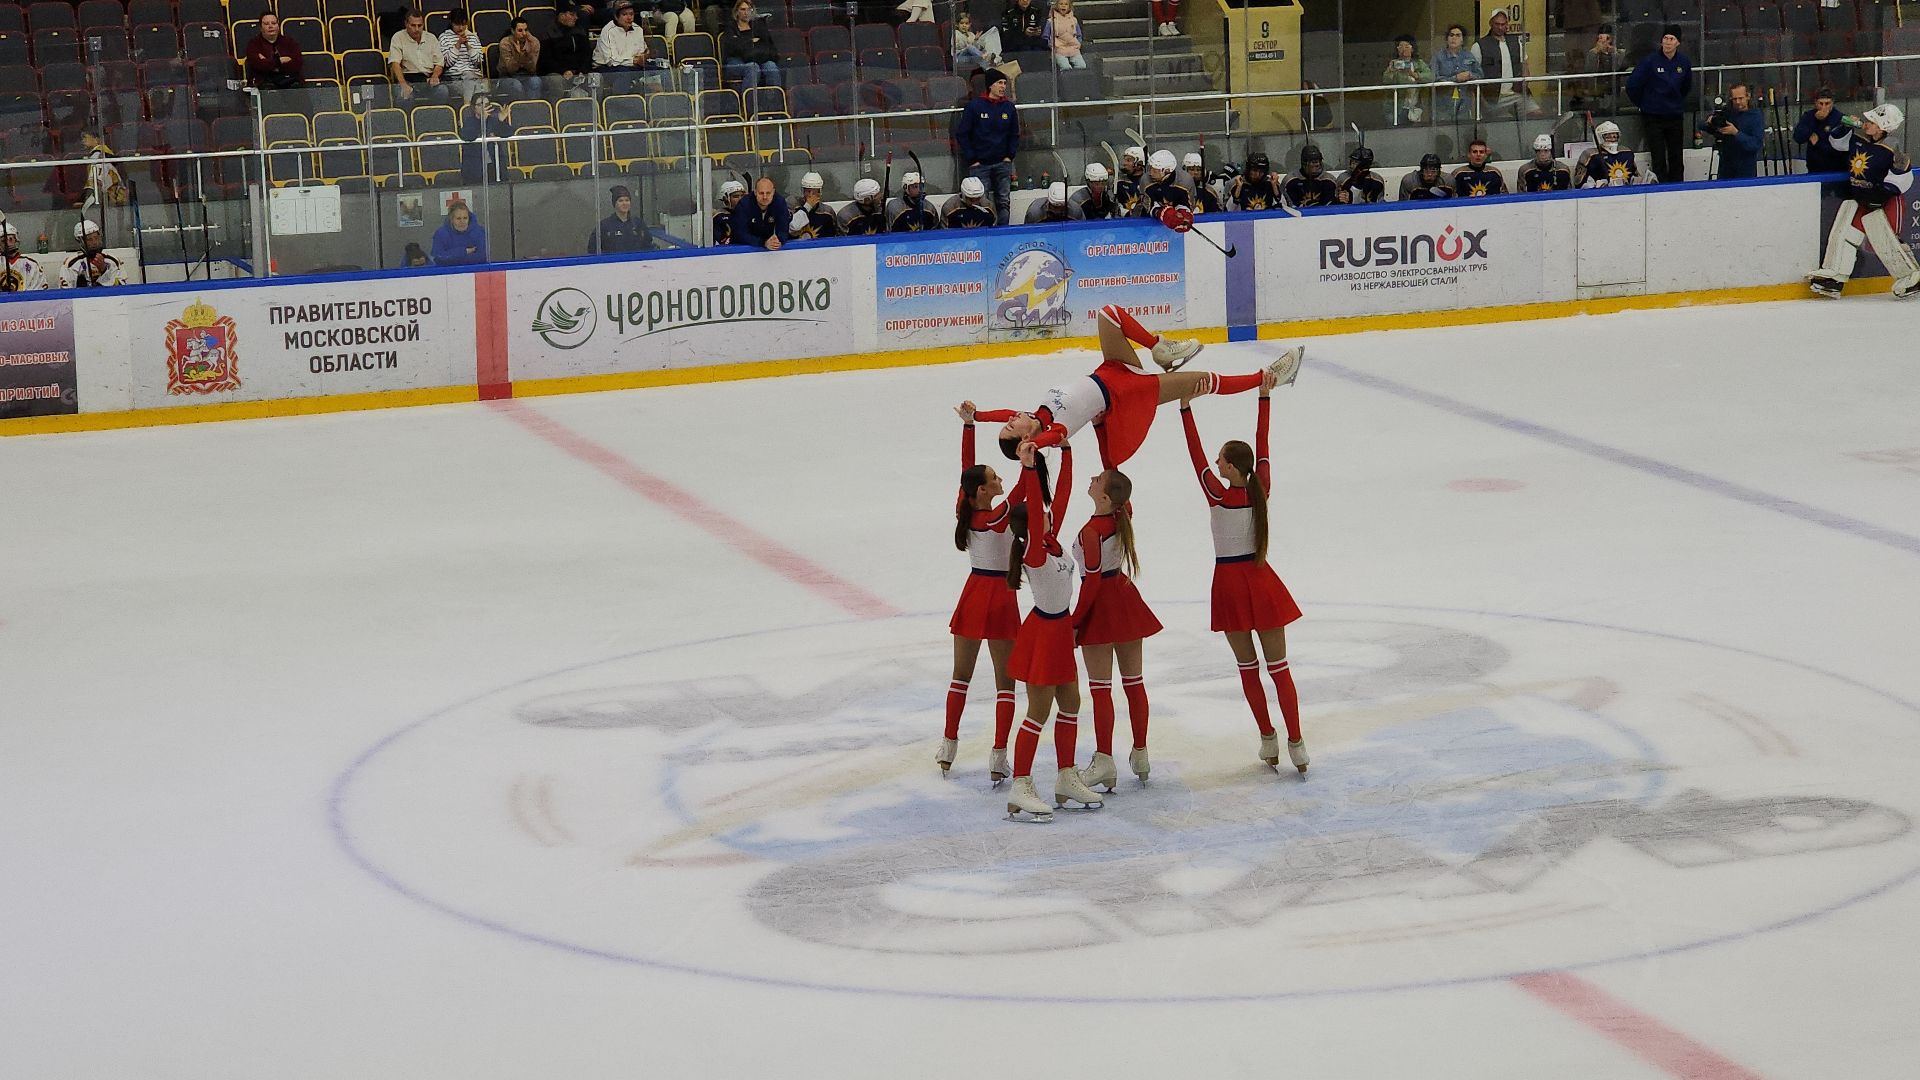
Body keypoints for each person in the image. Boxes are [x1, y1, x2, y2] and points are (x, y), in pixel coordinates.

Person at [969, 305, 1297, 471]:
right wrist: (1035, 447)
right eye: (1011, 428)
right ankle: (1267, 377)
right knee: (1203, 380)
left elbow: (1000, 414)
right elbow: (1052, 439)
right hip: (1127, 395)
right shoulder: (1056, 429)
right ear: (1026, 439)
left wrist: (978, 416)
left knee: (1108, 314)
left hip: (1112, 369)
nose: (1010, 419)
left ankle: (1160, 347)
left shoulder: (1036, 411)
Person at [1179, 367, 1308, 774]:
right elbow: (1263, 447)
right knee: (1279, 669)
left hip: (1231, 586)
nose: (1215, 461)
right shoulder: (1260, 486)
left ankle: (1269, 737)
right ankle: (1296, 742)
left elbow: (1195, 455)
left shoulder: (1218, 493)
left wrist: (1185, 409)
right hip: (1260, 581)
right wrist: (1263, 399)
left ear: (1231, 467)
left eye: (1222, 458)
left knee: (1249, 669)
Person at [1001, 441, 1104, 820]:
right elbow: (1035, 504)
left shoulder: (1051, 542)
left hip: (1060, 631)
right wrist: (1028, 468)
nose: (1049, 514)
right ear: (1030, 525)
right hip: (1044, 634)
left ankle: (1065, 776)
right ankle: (1021, 785)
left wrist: (1067, 453)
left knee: (1072, 704)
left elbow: (1059, 496)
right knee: (1038, 711)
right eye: (1041, 515)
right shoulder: (1034, 552)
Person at [945, 402, 1026, 780]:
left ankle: (948, 745)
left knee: (960, 676)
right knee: (1004, 684)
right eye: (994, 477)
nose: (1000, 480)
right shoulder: (997, 515)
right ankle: (998, 754)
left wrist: (969, 427)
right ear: (984, 490)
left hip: (974, 592)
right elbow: (1025, 486)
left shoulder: (967, 506)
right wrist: (1030, 457)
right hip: (1000, 596)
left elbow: (965, 472)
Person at [1070, 466, 1161, 789]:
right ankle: (1141, 751)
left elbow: (1091, 582)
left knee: (1101, 690)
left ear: (1106, 497)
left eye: (1097, 480)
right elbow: (1119, 476)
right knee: (1134, 683)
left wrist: (1075, 622)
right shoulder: (1123, 513)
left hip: (1101, 605)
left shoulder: (1091, 532)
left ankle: (1105, 758)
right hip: (1125, 599)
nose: (1091, 479)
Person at [1808, 104, 1918, 300]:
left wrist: (1881, 195)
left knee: (1883, 240)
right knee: (1846, 232)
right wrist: (1844, 126)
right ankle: (1836, 275)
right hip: (1862, 200)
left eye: (1871, 121)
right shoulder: (1858, 141)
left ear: (1882, 126)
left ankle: (1911, 276)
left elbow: (1903, 178)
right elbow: (1836, 142)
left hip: (1885, 203)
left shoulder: (1893, 150)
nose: (1865, 123)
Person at [1626, 25, 1691, 184]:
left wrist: (1675, 102)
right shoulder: (1650, 61)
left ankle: (1677, 188)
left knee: (1676, 156)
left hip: (1674, 116)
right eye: (1665, 38)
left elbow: (1686, 87)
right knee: (1658, 156)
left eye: (1672, 39)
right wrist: (1644, 104)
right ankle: (1660, 189)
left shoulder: (1684, 62)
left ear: (1678, 43)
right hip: (1653, 117)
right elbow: (1632, 85)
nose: (1668, 42)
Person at [955, 69, 1020, 229]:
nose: (1003, 86)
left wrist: (1009, 156)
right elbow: (962, 134)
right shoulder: (975, 107)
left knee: (1004, 201)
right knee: (980, 202)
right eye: (999, 83)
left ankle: (1003, 232)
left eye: (1005, 83)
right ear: (990, 85)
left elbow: (1014, 134)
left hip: (1002, 164)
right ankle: (983, 232)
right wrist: (972, 159)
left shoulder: (1009, 108)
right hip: (980, 165)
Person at [1471, 10, 1532, 121]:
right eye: (1497, 24)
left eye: (1503, 24)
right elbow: (1474, 76)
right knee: (1504, 122)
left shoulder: (1516, 42)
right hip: (1493, 98)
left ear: (1507, 24)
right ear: (1491, 24)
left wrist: (1524, 85)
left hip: (1516, 94)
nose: (1500, 27)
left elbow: (1525, 65)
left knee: (1536, 114)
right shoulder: (1479, 46)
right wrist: (1482, 102)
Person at [1698, 84, 1763, 180]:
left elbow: (1755, 144)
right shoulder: (1727, 113)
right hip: (1726, 166)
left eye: (1741, 98)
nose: (1737, 102)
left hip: (1745, 168)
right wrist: (1710, 121)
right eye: (1734, 99)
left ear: (1747, 96)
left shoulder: (1755, 116)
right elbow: (1702, 125)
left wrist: (1736, 132)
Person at [1795, 88, 1854, 189]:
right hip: (1815, 168)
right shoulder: (1809, 116)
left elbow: (1840, 146)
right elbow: (1798, 137)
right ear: (1815, 103)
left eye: (1827, 103)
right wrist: (1815, 122)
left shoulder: (1840, 118)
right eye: (1820, 103)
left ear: (1832, 103)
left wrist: (1818, 141)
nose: (1824, 107)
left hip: (1837, 169)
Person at [387, 9, 447, 102]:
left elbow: (439, 63)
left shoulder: (431, 38)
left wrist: (435, 76)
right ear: (406, 24)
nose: (417, 29)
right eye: (413, 25)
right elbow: (395, 64)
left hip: (429, 79)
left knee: (442, 91)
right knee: (402, 95)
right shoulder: (398, 37)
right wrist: (403, 84)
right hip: (408, 79)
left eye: (419, 25)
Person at [594, 2, 653, 93]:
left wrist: (645, 56)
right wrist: (634, 61)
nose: (629, 18)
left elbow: (642, 50)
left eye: (631, 14)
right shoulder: (608, 31)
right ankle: (618, 102)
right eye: (624, 14)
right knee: (625, 73)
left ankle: (665, 101)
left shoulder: (638, 29)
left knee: (661, 70)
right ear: (616, 16)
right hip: (606, 67)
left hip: (632, 66)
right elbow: (611, 61)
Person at [721, 0, 780, 90]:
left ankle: (773, 99)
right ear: (737, 12)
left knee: (771, 66)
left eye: (749, 9)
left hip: (757, 57)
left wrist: (744, 42)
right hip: (736, 60)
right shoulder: (730, 27)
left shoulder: (758, 25)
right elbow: (734, 47)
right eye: (743, 9)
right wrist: (751, 41)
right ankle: (748, 100)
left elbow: (766, 43)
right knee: (753, 67)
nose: (746, 13)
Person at [1431, 23, 1481, 124]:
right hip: (1443, 106)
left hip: (1464, 106)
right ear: (1447, 39)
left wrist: (1470, 76)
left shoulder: (1469, 56)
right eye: (1451, 35)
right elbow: (1433, 78)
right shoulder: (1438, 57)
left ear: (1462, 40)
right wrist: (1455, 79)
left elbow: (1480, 75)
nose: (1454, 38)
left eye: (1458, 35)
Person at [458, 90, 511, 182]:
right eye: (480, 105)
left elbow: (508, 133)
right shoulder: (469, 122)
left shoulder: (493, 120)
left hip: (495, 166)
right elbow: (468, 136)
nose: (483, 107)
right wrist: (482, 120)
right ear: (473, 108)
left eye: (486, 105)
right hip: (475, 168)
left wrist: (501, 121)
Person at [244, 11, 305, 90]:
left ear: (278, 26)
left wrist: (269, 63)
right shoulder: (253, 44)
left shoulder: (290, 42)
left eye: (273, 23)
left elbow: (297, 64)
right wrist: (280, 61)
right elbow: (258, 65)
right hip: (264, 82)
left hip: (289, 80)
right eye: (266, 24)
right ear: (261, 28)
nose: (270, 26)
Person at [1381, 34, 1432, 126]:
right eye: (1400, 46)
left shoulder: (1419, 63)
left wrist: (1415, 75)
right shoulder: (1394, 63)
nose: (1403, 49)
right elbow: (1385, 81)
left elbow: (1430, 76)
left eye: (1407, 46)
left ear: (1412, 49)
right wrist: (1392, 71)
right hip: (1398, 107)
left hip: (1414, 107)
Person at [59, 220, 127, 288]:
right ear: (80, 242)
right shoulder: (71, 264)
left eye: (96, 238)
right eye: (89, 239)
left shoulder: (113, 260)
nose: (94, 242)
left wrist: (104, 270)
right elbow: (65, 293)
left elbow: (122, 289)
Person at [1574, 24, 1626, 113]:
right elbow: (1589, 70)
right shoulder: (1593, 53)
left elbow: (1619, 68)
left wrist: (1614, 54)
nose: (1604, 42)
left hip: (1614, 90)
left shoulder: (1619, 53)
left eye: (1606, 39)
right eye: (1600, 39)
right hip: (1598, 92)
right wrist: (1596, 52)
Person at [1577, 120, 1641, 187]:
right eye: (1608, 136)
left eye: (1615, 136)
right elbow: (1579, 183)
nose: (1612, 138)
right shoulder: (1590, 155)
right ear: (1600, 137)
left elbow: (1636, 177)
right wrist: (1592, 186)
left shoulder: (1627, 153)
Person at [591, 184, 652, 254]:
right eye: (620, 201)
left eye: (627, 200)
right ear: (614, 203)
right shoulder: (604, 226)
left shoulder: (638, 224)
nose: (624, 203)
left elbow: (648, 246)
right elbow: (593, 249)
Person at [731, 176, 789, 250]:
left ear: (773, 192)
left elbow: (784, 229)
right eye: (761, 193)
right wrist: (763, 242)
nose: (765, 197)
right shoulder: (744, 204)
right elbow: (740, 233)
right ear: (755, 192)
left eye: (768, 193)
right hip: (744, 251)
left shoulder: (780, 202)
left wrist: (778, 241)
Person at [539, 4, 593, 81]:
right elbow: (547, 60)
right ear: (561, 15)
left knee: (596, 78)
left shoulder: (580, 31)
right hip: (557, 72)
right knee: (555, 80)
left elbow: (587, 54)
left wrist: (582, 71)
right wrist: (563, 71)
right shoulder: (549, 33)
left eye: (576, 15)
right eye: (572, 15)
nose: (576, 18)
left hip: (579, 72)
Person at [496, 17, 542, 99]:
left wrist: (527, 53)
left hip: (528, 74)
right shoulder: (505, 43)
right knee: (516, 85)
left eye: (526, 30)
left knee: (536, 81)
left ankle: (534, 108)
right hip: (507, 76)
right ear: (513, 31)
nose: (524, 33)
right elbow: (511, 69)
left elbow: (532, 68)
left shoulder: (534, 42)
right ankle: (521, 109)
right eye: (520, 30)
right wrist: (519, 54)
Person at [1, 218, 50, 292]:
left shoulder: (32, 264)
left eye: (10, 239)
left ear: (16, 239)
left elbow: (40, 292)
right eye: (3, 241)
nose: (8, 243)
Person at [439, 8, 486, 83]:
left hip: (473, 75)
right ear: (451, 23)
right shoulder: (444, 37)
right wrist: (458, 45)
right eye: (457, 24)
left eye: (463, 24)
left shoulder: (473, 37)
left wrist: (467, 45)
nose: (461, 28)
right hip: (453, 77)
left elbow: (478, 61)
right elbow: (447, 63)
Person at [1284, 144, 1337, 208]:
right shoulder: (1291, 180)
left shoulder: (1329, 180)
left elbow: (1330, 205)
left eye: (1318, 161)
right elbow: (1288, 205)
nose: (1317, 164)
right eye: (1312, 161)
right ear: (1303, 163)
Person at [789, 172, 839, 239]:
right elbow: (793, 227)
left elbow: (833, 237)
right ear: (803, 191)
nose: (810, 195)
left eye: (814, 191)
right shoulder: (792, 205)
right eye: (808, 191)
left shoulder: (827, 212)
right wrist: (808, 206)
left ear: (820, 192)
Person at [1141, 150, 1192, 215]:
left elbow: (1189, 206)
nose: (1150, 173)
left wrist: (1183, 213)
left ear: (1167, 171)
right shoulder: (1146, 180)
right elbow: (1147, 207)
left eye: (1155, 170)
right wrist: (1159, 212)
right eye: (1150, 168)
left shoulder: (1185, 182)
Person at [1046, 0, 1086, 71]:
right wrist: (1051, 45)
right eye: (1061, 4)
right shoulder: (1050, 21)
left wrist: (1078, 44)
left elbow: (1079, 35)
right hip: (1058, 50)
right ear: (1057, 6)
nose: (1063, 6)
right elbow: (1046, 36)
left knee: (1082, 66)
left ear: (1069, 6)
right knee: (1066, 67)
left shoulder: (1074, 20)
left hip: (1074, 49)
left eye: (1066, 4)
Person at [1116, 145, 1148, 215]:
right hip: (1124, 223)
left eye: (1128, 160)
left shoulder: (1148, 183)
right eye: (1125, 160)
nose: (1125, 163)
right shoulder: (1119, 182)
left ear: (1139, 164)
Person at [711, 179, 745, 244]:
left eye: (742, 196)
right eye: (736, 196)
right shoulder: (719, 217)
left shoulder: (749, 213)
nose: (741, 199)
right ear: (725, 199)